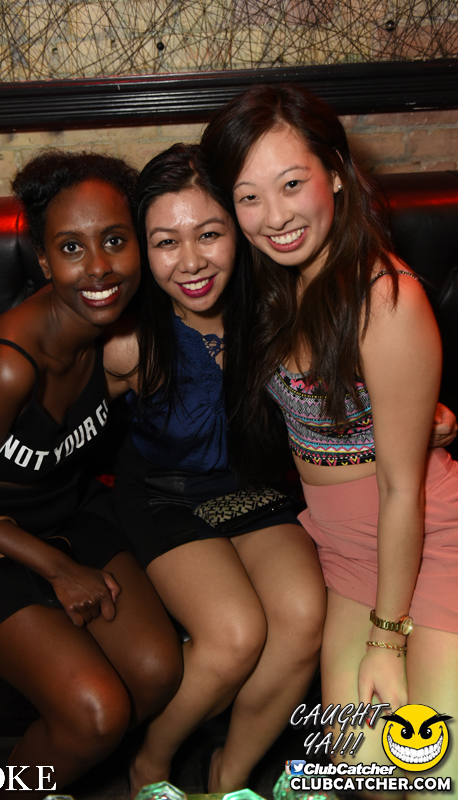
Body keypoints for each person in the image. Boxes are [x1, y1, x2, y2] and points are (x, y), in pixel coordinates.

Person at [200, 84, 458, 787]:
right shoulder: (272, 286)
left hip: (424, 539)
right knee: (361, 768)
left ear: (336, 173)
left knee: (427, 775)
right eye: (249, 197)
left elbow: (402, 489)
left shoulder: (385, 297)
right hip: (343, 552)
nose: (275, 216)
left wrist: (387, 639)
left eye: (292, 184)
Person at [0, 149, 182, 799]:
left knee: (157, 672)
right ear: (43, 261)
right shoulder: (7, 365)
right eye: (71, 247)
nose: (98, 267)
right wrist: (59, 569)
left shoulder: (114, 339)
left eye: (115, 240)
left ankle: (46, 765)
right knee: (97, 714)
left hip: (68, 513)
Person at [103, 143, 327, 796]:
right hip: (165, 496)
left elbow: (352, 381)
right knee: (234, 634)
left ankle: (228, 777)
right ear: (142, 249)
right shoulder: (125, 342)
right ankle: (149, 767)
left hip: (254, 492)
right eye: (165, 242)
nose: (191, 261)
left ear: (240, 228)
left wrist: (420, 414)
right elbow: (51, 426)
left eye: (208, 233)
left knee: (303, 615)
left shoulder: (281, 310)